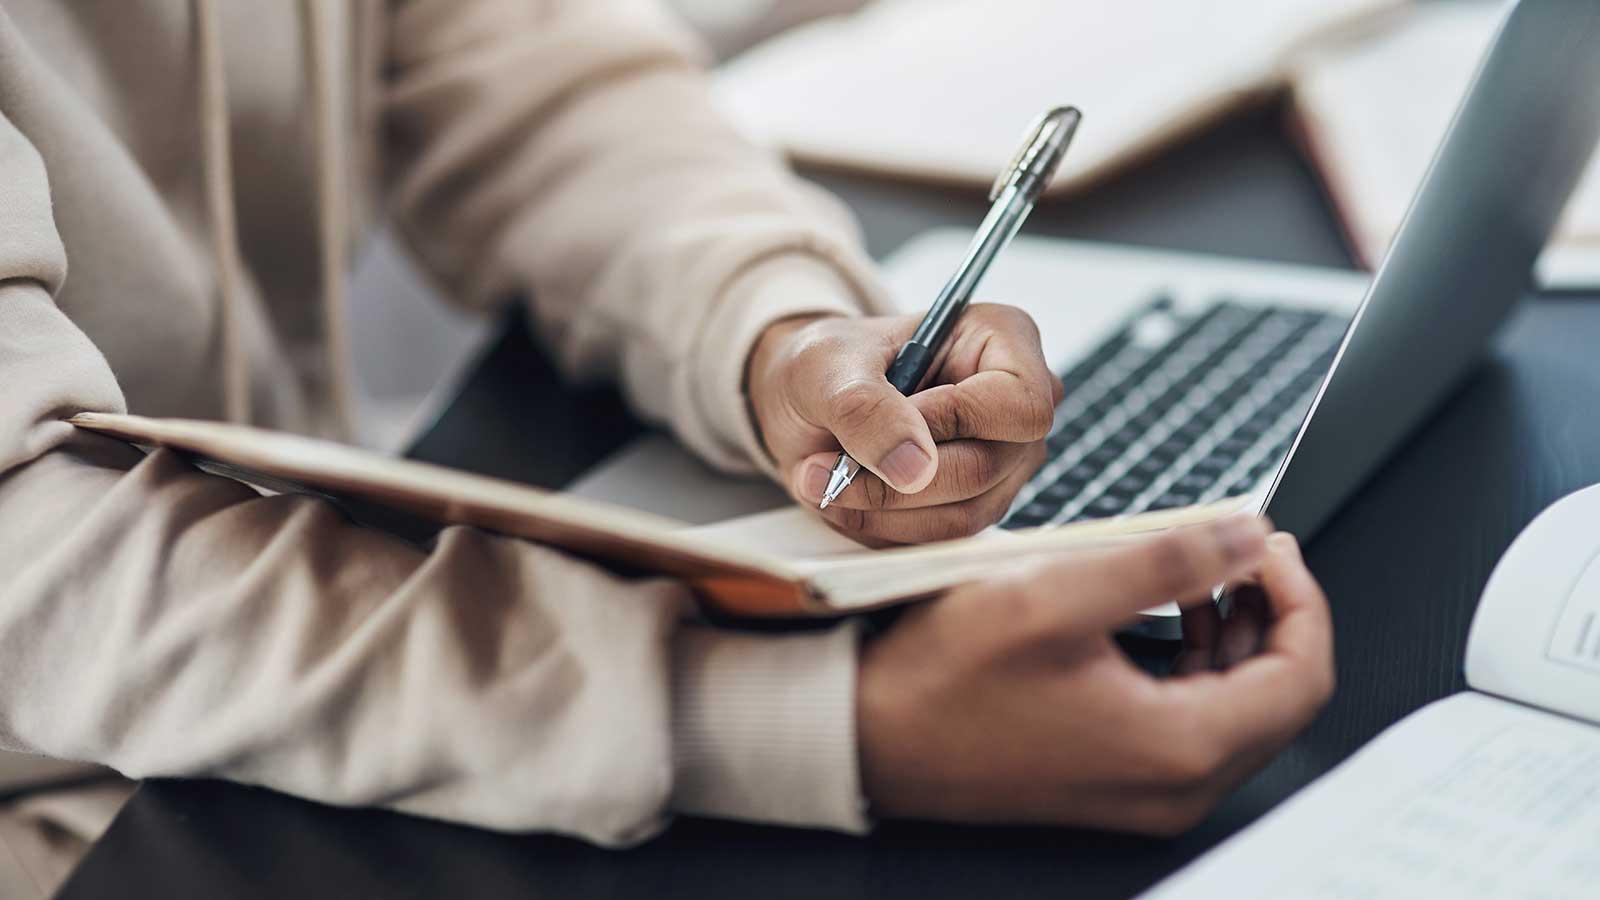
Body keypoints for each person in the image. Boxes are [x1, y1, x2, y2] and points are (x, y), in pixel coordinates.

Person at [0, 1, 1334, 895]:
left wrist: (777, 331)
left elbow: (527, 74)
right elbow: (41, 572)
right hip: (72, 824)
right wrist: (823, 728)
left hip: (362, 688)